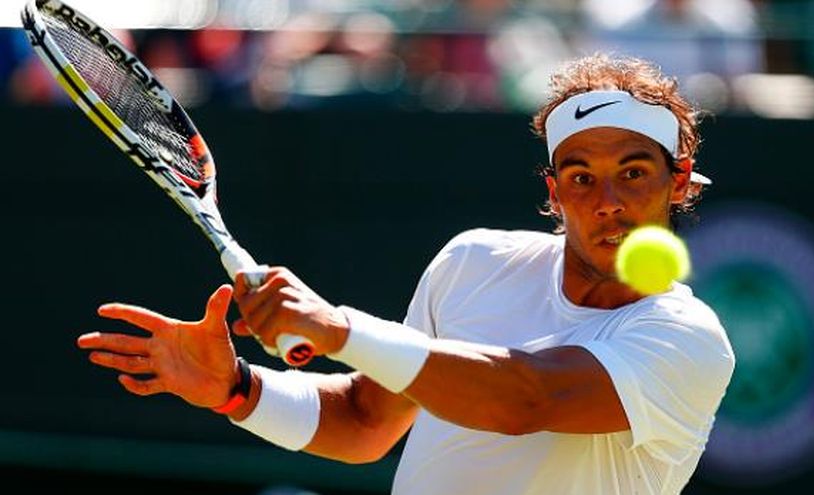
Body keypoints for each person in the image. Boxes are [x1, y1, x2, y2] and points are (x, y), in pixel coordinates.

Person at [77, 52, 735, 494]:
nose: (608, 201)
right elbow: (365, 419)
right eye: (582, 177)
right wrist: (238, 389)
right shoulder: (473, 262)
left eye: (633, 173)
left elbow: (523, 399)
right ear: (554, 191)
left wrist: (338, 328)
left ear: (679, 182)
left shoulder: (688, 338)